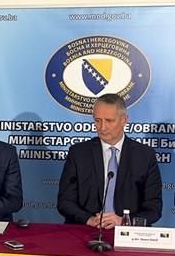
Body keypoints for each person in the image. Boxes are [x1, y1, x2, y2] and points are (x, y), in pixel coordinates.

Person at [57, 93, 162, 228]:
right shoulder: (78, 153)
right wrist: (89, 219)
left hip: (128, 232)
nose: (102, 127)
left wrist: (123, 221)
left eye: (109, 121)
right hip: (87, 230)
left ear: (124, 120)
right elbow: (65, 201)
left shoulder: (144, 155)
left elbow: (154, 208)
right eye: (97, 120)